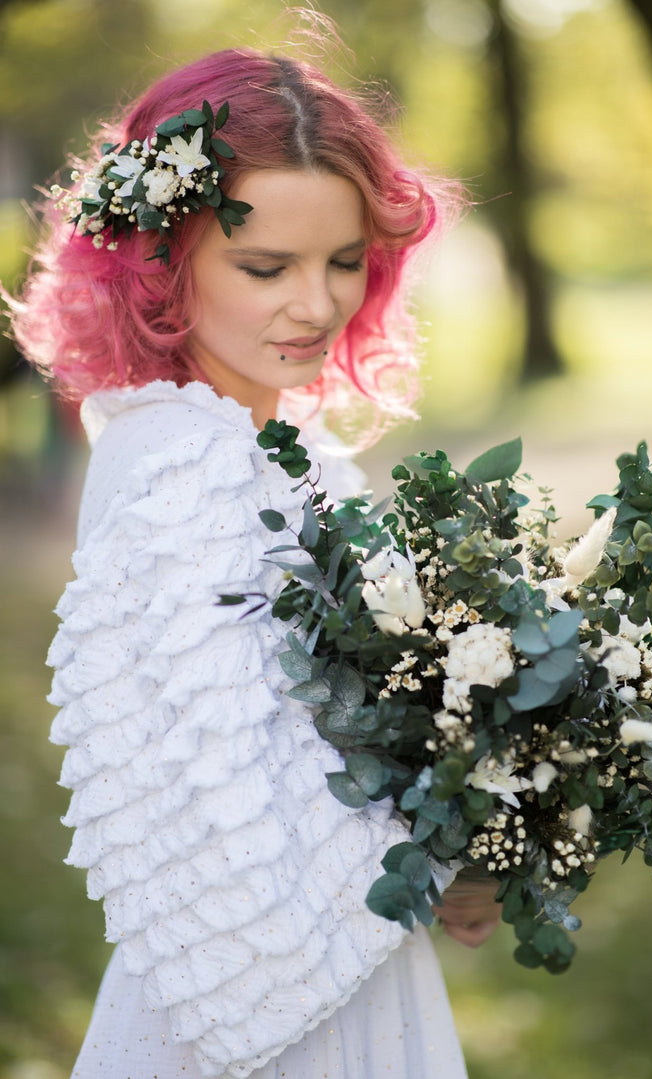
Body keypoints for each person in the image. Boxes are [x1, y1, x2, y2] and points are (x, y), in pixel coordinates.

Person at [7, 37, 500, 1079]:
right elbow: (228, 801)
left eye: (344, 260)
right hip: (264, 979)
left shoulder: (266, 446)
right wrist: (441, 852)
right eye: (266, 266)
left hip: (342, 947)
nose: (317, 305)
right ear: (161, 260)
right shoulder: (189, 464)